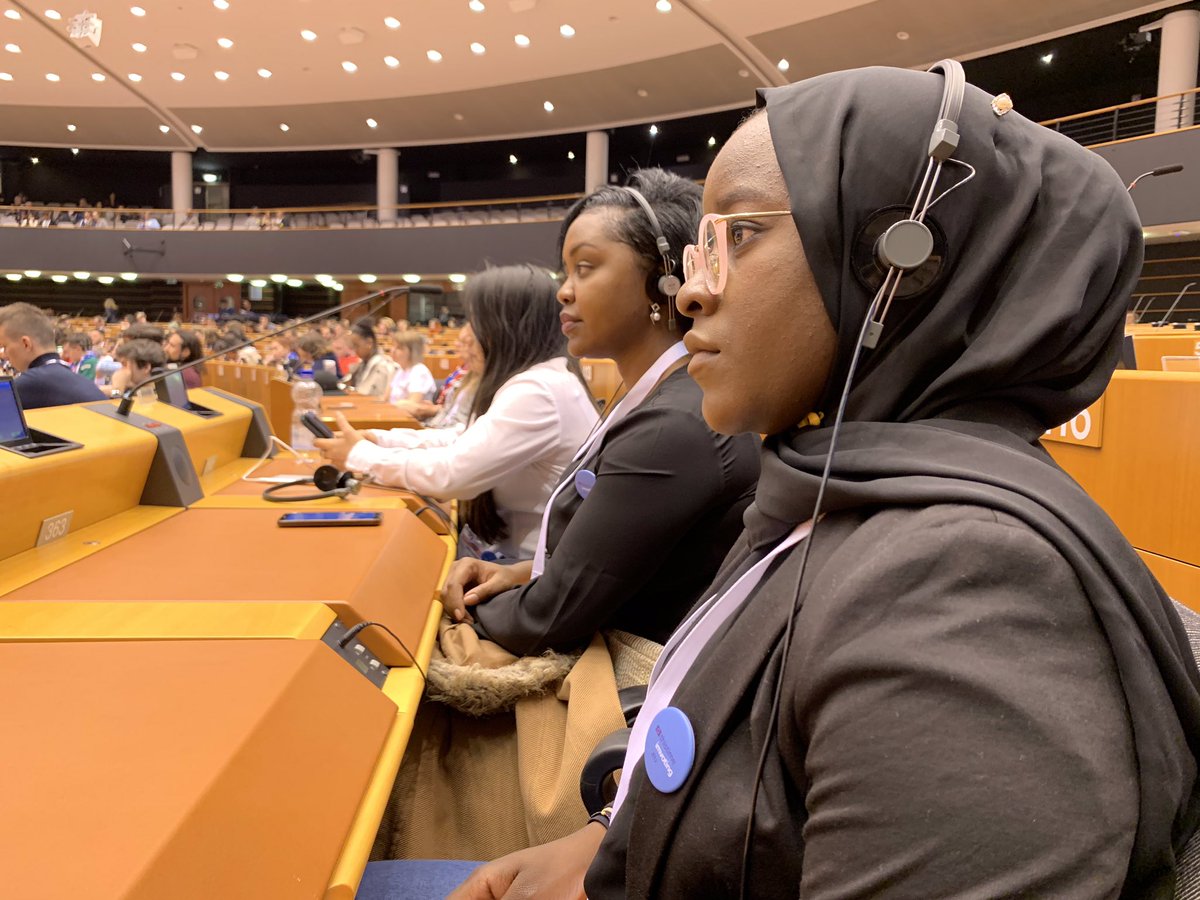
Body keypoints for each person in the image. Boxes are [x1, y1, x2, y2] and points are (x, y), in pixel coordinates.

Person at [430, 65, 1200, 900]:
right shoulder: (837, 485)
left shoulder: (966, 595)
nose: (691, 291)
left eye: (741, 237)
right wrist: (600, 845)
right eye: (699, 250)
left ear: (898, 265)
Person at [441, 168, 761, 657]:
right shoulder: (655, 394)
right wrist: (512, 576)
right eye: (565, 273)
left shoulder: (673, 422)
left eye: (585, 268)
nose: (564, 292)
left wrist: (461, 610)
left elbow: (551, 616)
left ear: (662, 278)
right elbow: (621, 558)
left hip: (639, 678)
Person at [315, 265, 599, 561]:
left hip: (523, 573)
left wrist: (360, 455)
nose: (465, 335)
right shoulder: (541, 378)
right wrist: (379, 440)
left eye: (474, 322)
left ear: (506, 327)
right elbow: (462, 440)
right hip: (510, 559)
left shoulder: (538, 390)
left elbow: (452, 475)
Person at [0, 303, 104, 408]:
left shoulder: (30, 384)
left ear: (26, 344)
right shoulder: (81, 381)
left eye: (5, 346)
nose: (4, 354)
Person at [345, 319, 395, 399]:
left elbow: (376, 395)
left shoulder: (383, 366)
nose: (354, 351)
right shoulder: (362, 363)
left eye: (356, 346)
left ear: (369, 343)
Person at [386, 333, 437, 404]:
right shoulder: (400, 369)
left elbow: (413, 403)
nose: (393, 350)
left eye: (399, 348)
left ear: (412, 352)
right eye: (393, 346)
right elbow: (386, 399)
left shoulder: (419, 371)